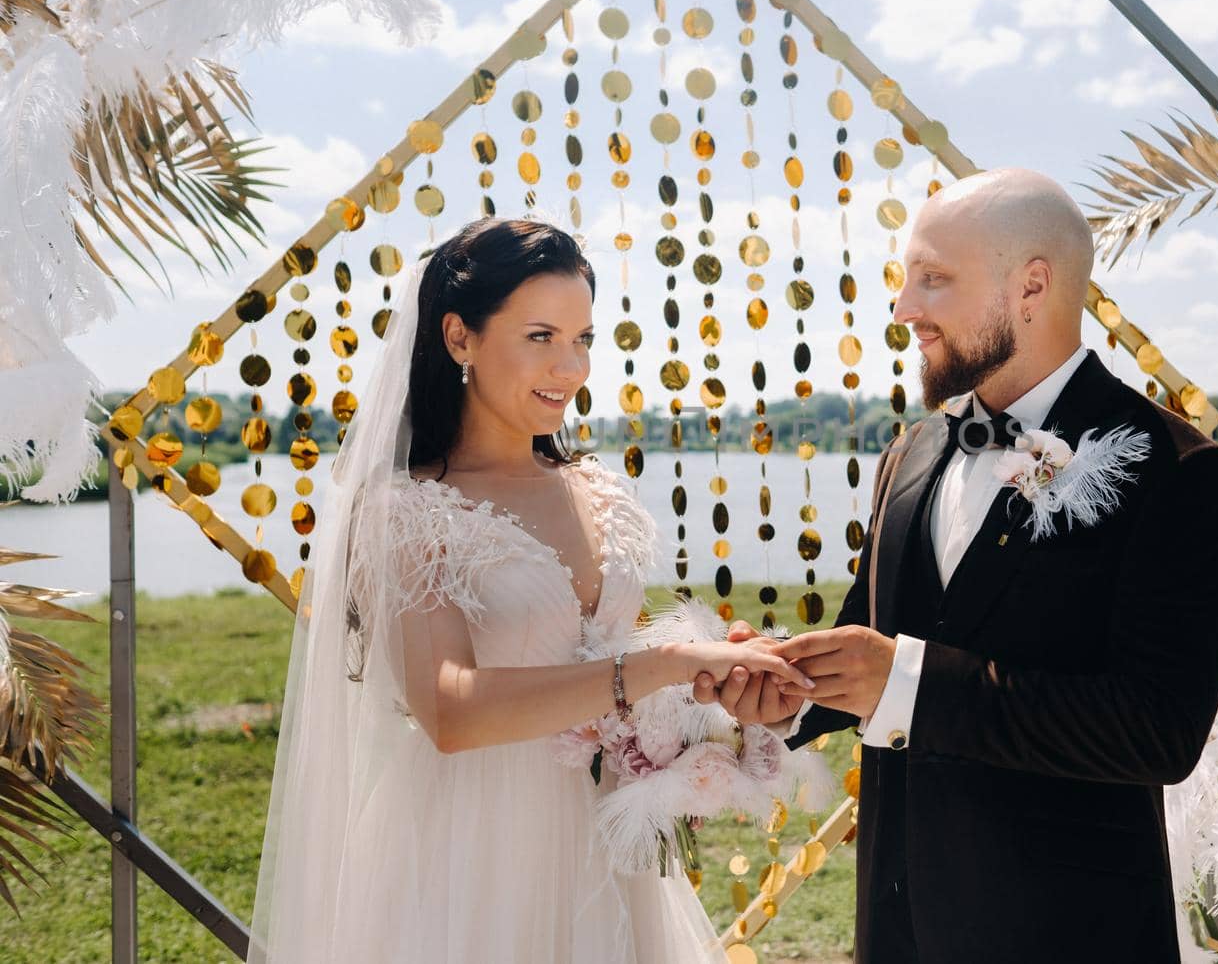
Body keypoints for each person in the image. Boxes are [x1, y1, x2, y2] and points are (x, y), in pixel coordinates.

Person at [695, 168, 1218, 963]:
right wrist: (781, 686)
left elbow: (1158, 729)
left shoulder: (1179, 472)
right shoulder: (912, 449)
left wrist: (908, 683)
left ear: (1030, 286)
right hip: (900, 927)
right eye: (905, 280)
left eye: (934, 279)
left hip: (1069, 935)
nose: (904, 308)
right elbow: (875, 634)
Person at [247, 217, 811, 964]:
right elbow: (448, 708)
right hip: (470, 854)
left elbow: (613, 673)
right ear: (459, 338)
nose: (570, 366)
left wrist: (712, 691)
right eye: (541, 336)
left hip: (604, 853)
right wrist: (667, 660)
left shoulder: (597, 488)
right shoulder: (404, 511)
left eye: (583, 339)